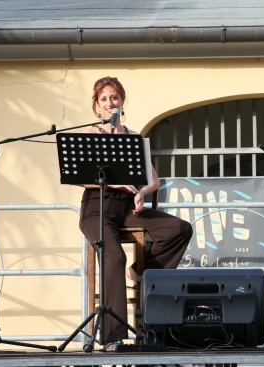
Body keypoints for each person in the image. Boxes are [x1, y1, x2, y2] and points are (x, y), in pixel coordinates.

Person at [78, 76, 193, 351]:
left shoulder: (133, 138)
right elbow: (81, 178)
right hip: (97, 208)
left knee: (180, 228)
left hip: (127, 207)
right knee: (114, 255)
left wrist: (142, 192)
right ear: (97, 104)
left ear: (122, 101)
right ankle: (113, 337)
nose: (110, 103)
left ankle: (140, 269)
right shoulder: (92, 134)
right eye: (104, 99)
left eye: (114, 97)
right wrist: (115, 182)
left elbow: (154, 180)